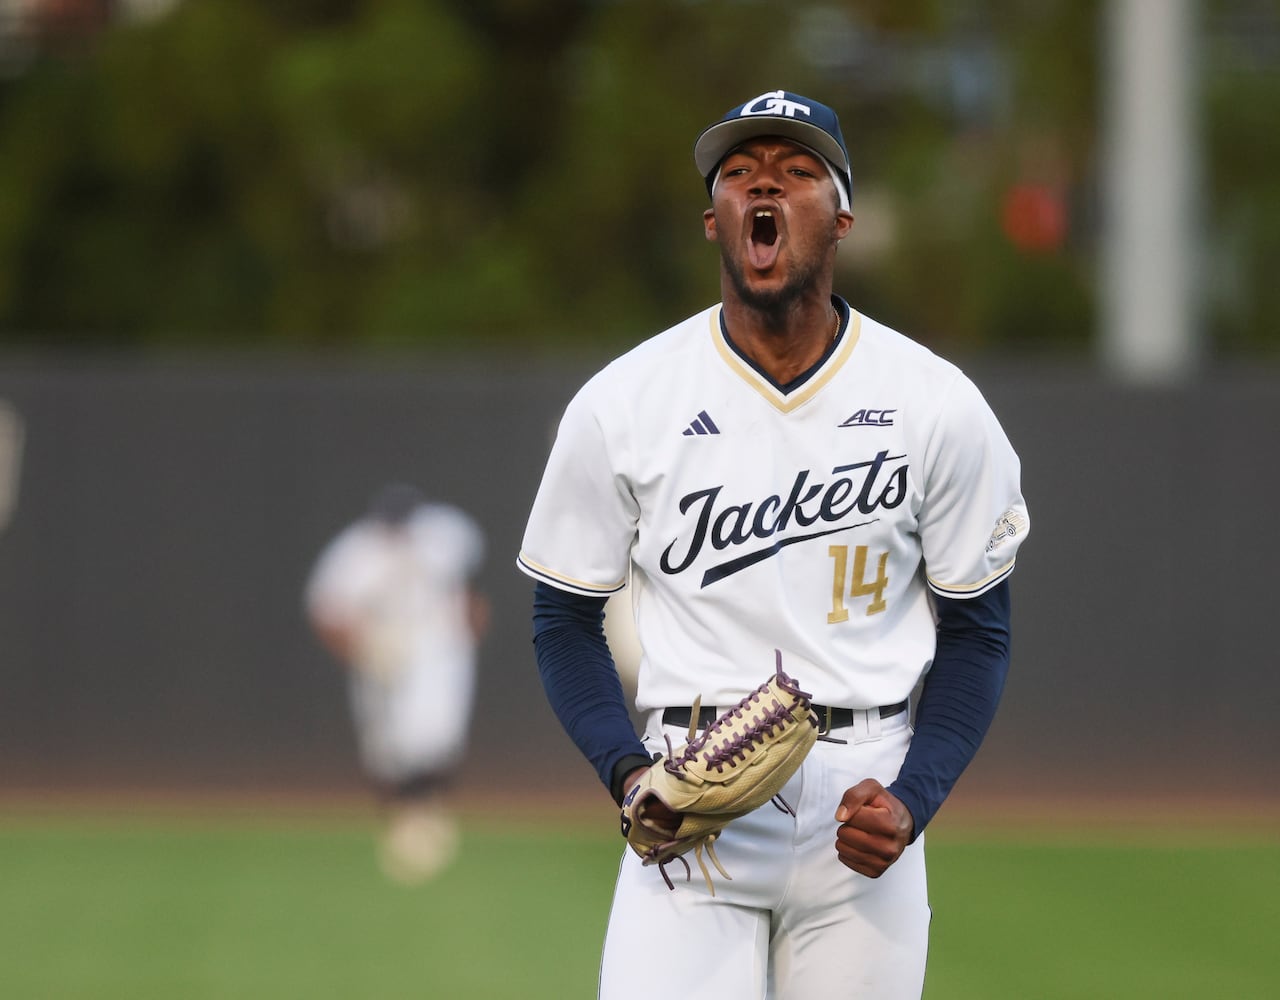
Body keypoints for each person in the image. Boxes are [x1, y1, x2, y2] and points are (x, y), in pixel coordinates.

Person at [516, 89, 1030, 998]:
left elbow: (978, 630)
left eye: (797, 173)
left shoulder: (934, 403)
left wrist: (914, 802)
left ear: (840, 220)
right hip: (691, 803)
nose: (764, 187)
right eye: (739, 174)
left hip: (861, 798)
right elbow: (562, 617)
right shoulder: (625, 401)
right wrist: (629, 774)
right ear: (713, 220)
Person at [305, 483, 488, 885]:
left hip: (437, 649)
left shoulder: (445, 534)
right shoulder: (354, 551)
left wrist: (467, 632)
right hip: (381, 651)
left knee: (435, 734)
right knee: (386, 747)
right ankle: (400, 822)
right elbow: (326, 611)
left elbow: (472, 591)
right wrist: (360, 651)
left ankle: (429, 817)